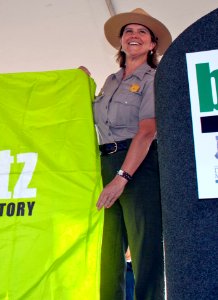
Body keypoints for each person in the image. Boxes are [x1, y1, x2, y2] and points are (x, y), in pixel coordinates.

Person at [92, 8, 172, 300]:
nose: (134, 36)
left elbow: (147, 131)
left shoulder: (154, 78)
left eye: (142, 32)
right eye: (128, 31)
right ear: (120, 42)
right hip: (105, 163)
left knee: (145, 252)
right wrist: (78, 85)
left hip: (138, 167)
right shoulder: (109, 81)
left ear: (152, 44)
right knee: (107, 254)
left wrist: (121, 177)